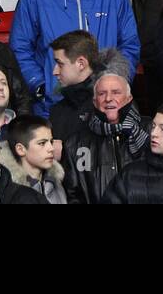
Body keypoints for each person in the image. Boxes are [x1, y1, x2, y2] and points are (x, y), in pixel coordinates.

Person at [10, 0, 139, 115]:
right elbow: (20, 46)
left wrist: (116, 81)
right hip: (52, 102)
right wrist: (38, 84)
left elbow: (129, 44)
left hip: (104, 100)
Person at [61, 57, 148, 204]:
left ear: (129, 98)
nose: (108, 98)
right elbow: (73, 195)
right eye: (102, 94)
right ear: (95, 102)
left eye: (116, 92)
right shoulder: (75, 144)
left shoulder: (151, 131)